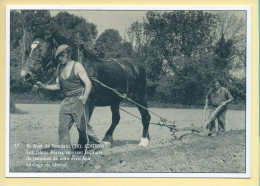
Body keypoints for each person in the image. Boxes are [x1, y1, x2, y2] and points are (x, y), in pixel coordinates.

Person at [35, 44, 100, 154]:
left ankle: (97, 145)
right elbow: (58, 86)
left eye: (62, 56)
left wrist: (85, 96)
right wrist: (43, 86)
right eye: (58, 57)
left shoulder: (77, 66)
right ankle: (65, 152)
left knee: (82, 127)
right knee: (62, 128)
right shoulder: (59, 68)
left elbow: (88, 83)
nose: (60, 59)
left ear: (68, 54)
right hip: (66, 100)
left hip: (78, 99)